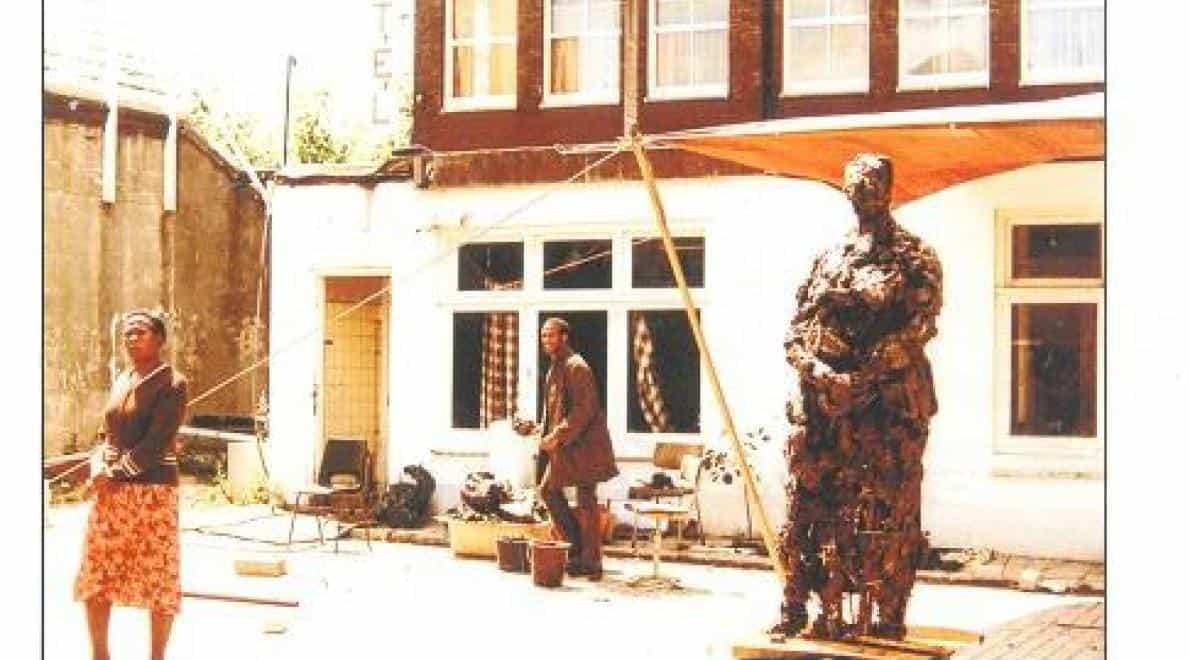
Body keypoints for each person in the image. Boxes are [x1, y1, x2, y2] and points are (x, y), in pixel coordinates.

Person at [777, 154, 943, 639]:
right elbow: (797, 329)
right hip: (826, 407)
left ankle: (886, 618)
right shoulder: (830, 257)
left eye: (871, 185)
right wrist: (822, 372)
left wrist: (863, 376)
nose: (861, 193)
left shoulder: (913, 255)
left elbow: (918, 328)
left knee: (887, 512)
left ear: (889, 189)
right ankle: (805, 610)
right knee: (811, 507)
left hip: (887, 408)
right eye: (854, 185)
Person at [74, 310, 189, 660]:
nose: (132, 339)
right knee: (97, 574)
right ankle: (100, 654)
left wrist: (116, 472)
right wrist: (98, 464)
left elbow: (156, 444)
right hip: (112, 494)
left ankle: (156, 656)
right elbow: (107, 434)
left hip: (153, 493)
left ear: (159, 339)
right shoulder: (122, 378)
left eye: (140, 332)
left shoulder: (172, 383)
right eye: (127, 334)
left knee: (158, 579)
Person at [514, 318, 619, 579]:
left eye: (551, 336)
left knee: (586, 501)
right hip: (568, 447)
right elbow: (557, 413)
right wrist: (534, 427)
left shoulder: (576, 366)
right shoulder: (554, 369)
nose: (546, 341)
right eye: (543, 336)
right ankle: (578, 550)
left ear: (564, 337)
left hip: (586, 448)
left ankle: (591, 561)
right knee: (549, 491)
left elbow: (585, 409)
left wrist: (557, 436)